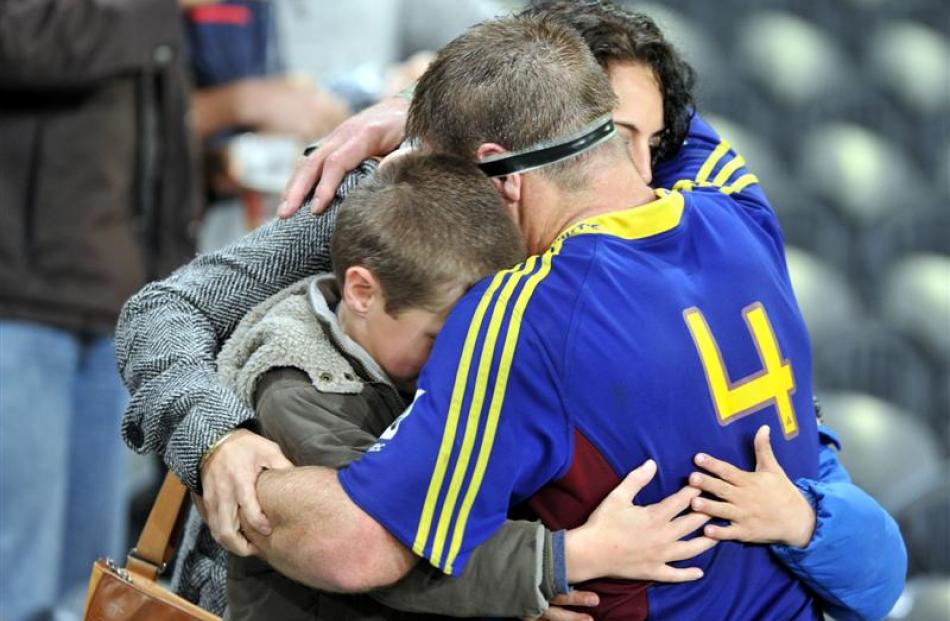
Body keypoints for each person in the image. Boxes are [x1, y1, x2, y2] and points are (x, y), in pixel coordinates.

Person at [116, 4, 903, 621]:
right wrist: (211, 433)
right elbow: (167, 307)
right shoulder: (735, 202)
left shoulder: (520, 314)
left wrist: (235, 468)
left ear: (497, 171)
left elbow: (356, 545)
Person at [221, 151, 717, 621]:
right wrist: (563, 559)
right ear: (362, 291)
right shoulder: (298, 392)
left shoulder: (410, 351)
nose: (459, 358)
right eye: (439, 336)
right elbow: (385, 545)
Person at [0, 1, 199, 619]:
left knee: (89, 581)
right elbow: (21, 43)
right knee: (16, 571)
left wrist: (169, 288)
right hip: (20, 297)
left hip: (111, 297)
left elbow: (161, 148)